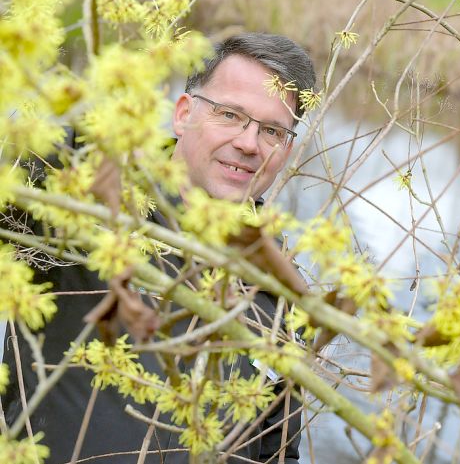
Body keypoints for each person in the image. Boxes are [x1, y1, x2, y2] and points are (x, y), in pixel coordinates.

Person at [2, 33, 316, 462]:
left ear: (287, 149)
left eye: (272, 131)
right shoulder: (83, 196)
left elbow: (276, 452)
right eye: (230, 114)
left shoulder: (283, 293)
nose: (248, 143)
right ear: (183, 114)